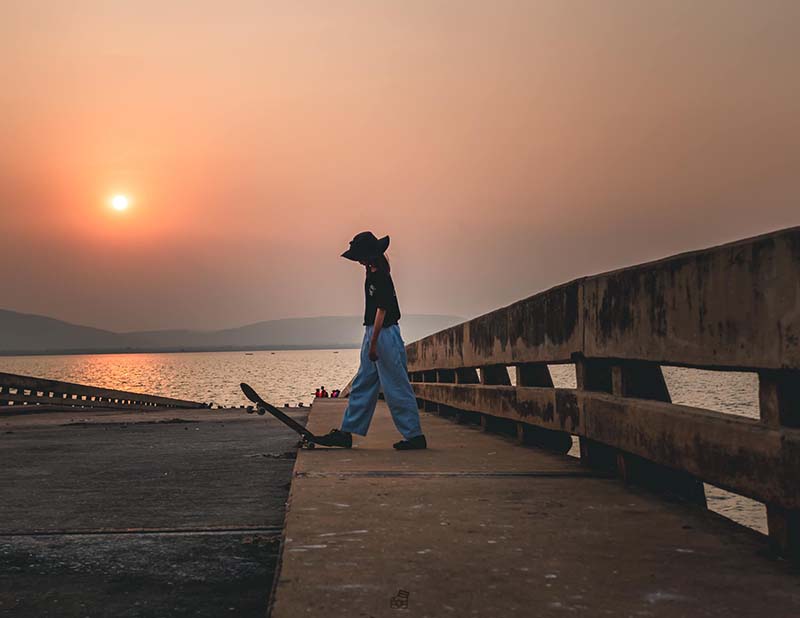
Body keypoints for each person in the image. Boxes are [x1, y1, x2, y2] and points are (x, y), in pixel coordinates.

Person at [315, 231, 426, 450]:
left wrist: (373, 344)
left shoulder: (379, 276)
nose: (358, 262)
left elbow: (382, 311)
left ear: (368, 256)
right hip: (373, 332)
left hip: (382, 334)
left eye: (360, 257)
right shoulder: (374, 273)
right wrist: (370, 340)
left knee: (396, 386)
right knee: (363, 384)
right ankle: (347, 432)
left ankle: (414, 435)